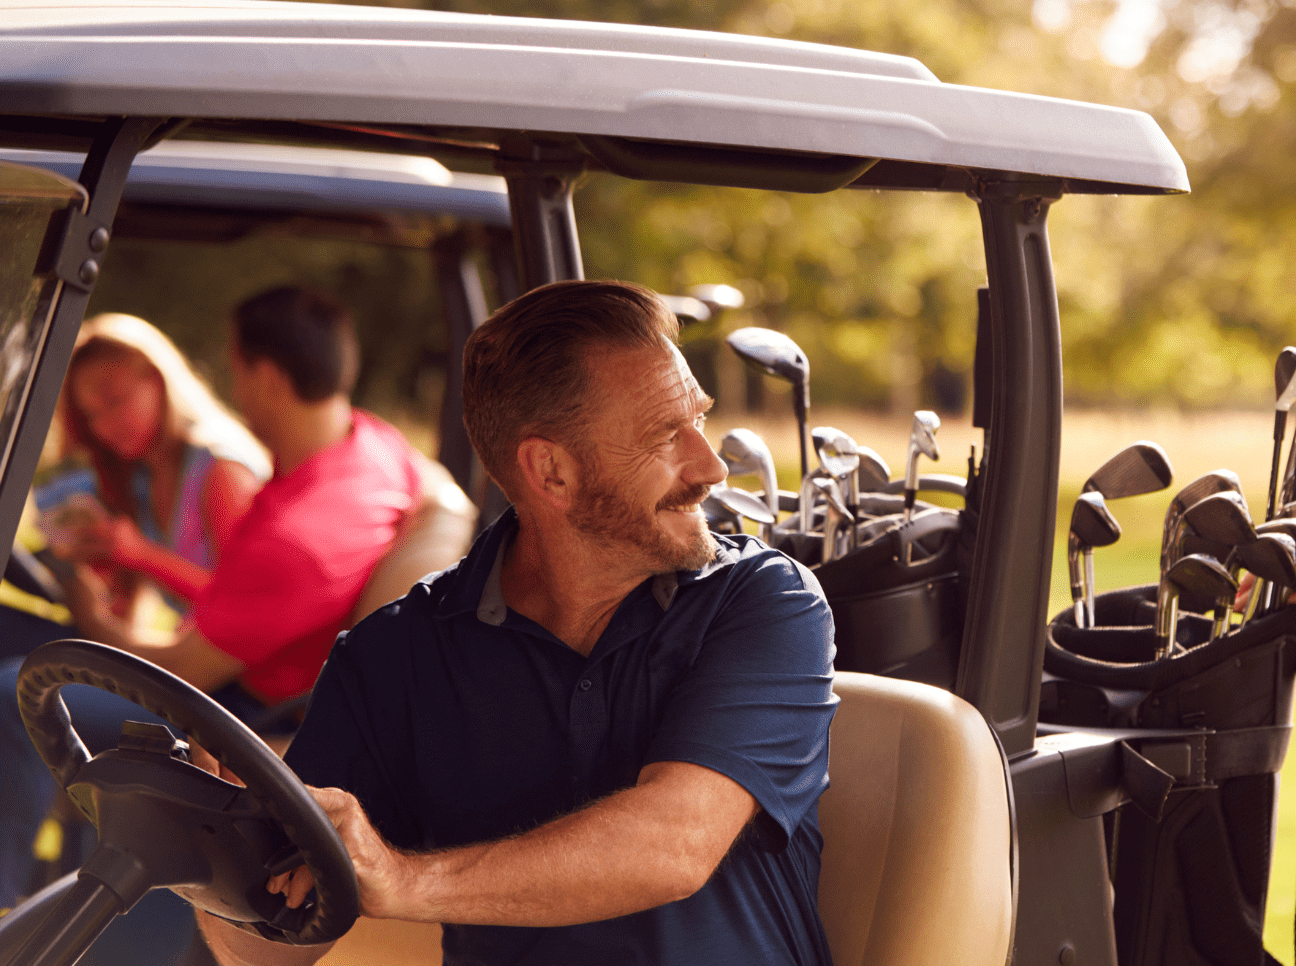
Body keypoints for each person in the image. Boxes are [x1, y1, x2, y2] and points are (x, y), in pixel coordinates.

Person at [196, 280, 838, 966]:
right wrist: (206, 848)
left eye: (698, 420)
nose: (708, 467)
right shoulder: (395, 658)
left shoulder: (764, 603)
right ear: (552, 473)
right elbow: (269, 949)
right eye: (664, 436)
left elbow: (673, 843)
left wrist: (407, 880)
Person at [1, 286, 428, 906]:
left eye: (237, 369)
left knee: (14, 692)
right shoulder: (366, 444)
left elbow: (184, 666)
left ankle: (11, 902)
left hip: (245, 712)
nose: (232, 387)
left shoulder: (286, 531)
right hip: (245, 677)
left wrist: (94, 605)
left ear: (267, 378)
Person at [0, 313, 268, 655]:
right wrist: (97, 578)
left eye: (114, 401)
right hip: (189, 655)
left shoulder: (221, 469)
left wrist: (143, 555)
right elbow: (130, 619)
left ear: (158, 380)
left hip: (225, 678)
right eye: (91, 415)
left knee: (12, 684)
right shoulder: (142, 474)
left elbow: (251, 610)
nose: (105, 425)